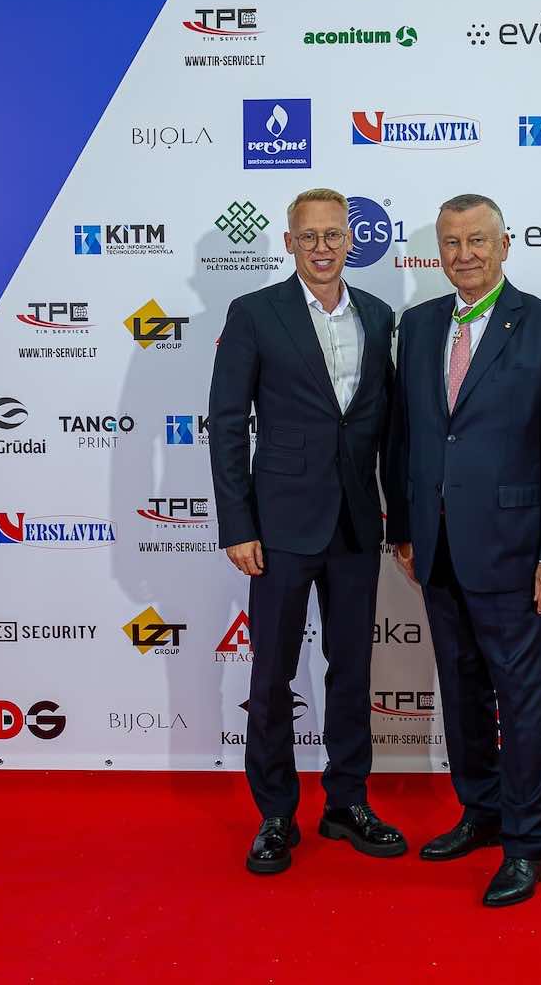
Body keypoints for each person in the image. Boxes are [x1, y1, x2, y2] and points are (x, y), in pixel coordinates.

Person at [386, 194, 541, 907]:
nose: (464, 254)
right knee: (461, 691)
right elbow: (405, 436)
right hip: (437, 547)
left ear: (504, 245)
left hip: (515, 552)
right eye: (451, 242)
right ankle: (481, 811)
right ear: (437, 251)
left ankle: (526, 844)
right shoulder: (418, 326)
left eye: (477, 240)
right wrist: (404, 529)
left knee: (520, 702)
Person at [209, 188, 407, 874]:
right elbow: (227, 424)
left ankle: (347, 801)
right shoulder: (254, 313)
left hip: (356, 522)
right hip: (280, 526)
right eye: (309, 236)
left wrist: (402, 520)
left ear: (351, 240)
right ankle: (274, 812)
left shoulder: (378, 315)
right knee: (272, 674)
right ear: (289, 242)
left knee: (352, 669)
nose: (323, 247)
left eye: (333, 235)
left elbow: (390, 430)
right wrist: (238, 523)